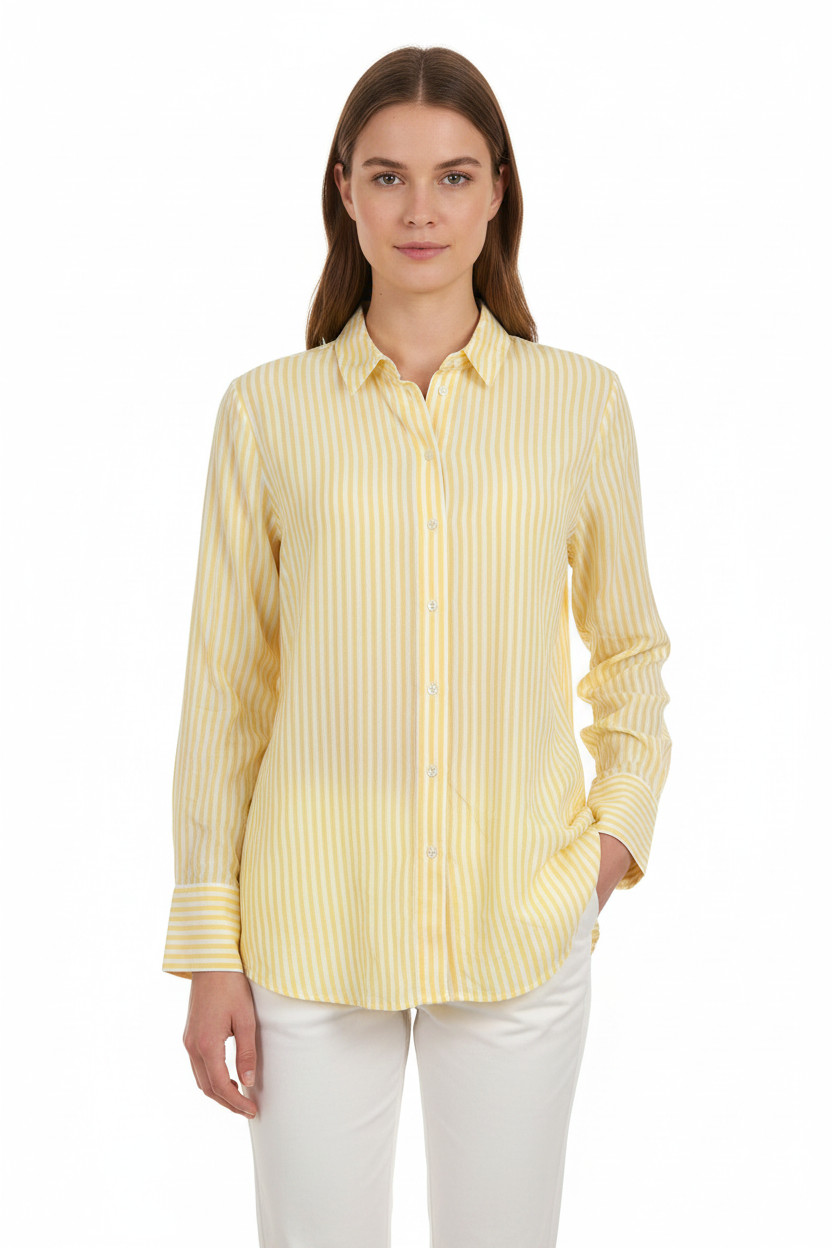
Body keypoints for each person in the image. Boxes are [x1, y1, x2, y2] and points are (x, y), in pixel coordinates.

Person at [162, 44, 672, 1248]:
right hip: (308, 926)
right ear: (344, 189)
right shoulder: (267, 413)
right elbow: (224, 692)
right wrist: (209, 948)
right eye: (388, 177)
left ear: (498, 190)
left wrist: (607, 847)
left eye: (453, 176)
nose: (420, 210)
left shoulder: (580, 404)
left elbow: (628, 653)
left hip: (518, 915)